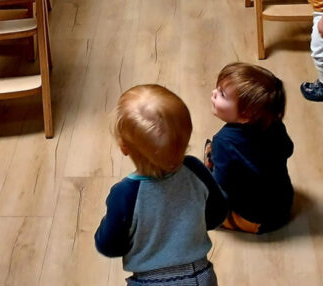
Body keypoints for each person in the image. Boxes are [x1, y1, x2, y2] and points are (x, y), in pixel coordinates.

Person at [95, 84, 227, 286]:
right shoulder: (195, 170)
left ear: (124, 147)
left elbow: (110, 245)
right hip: (201, 276)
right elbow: (218, 213)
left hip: (149, 281)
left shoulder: (124, 194)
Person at [204, 63, 293, 233]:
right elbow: (288, 148)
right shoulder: (274, 123)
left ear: (246, 115)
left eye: (222, 94)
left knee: (200, 200)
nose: (214, 93)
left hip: (254, 218)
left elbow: (219, 186)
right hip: (282, 206)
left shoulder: (224, 141)